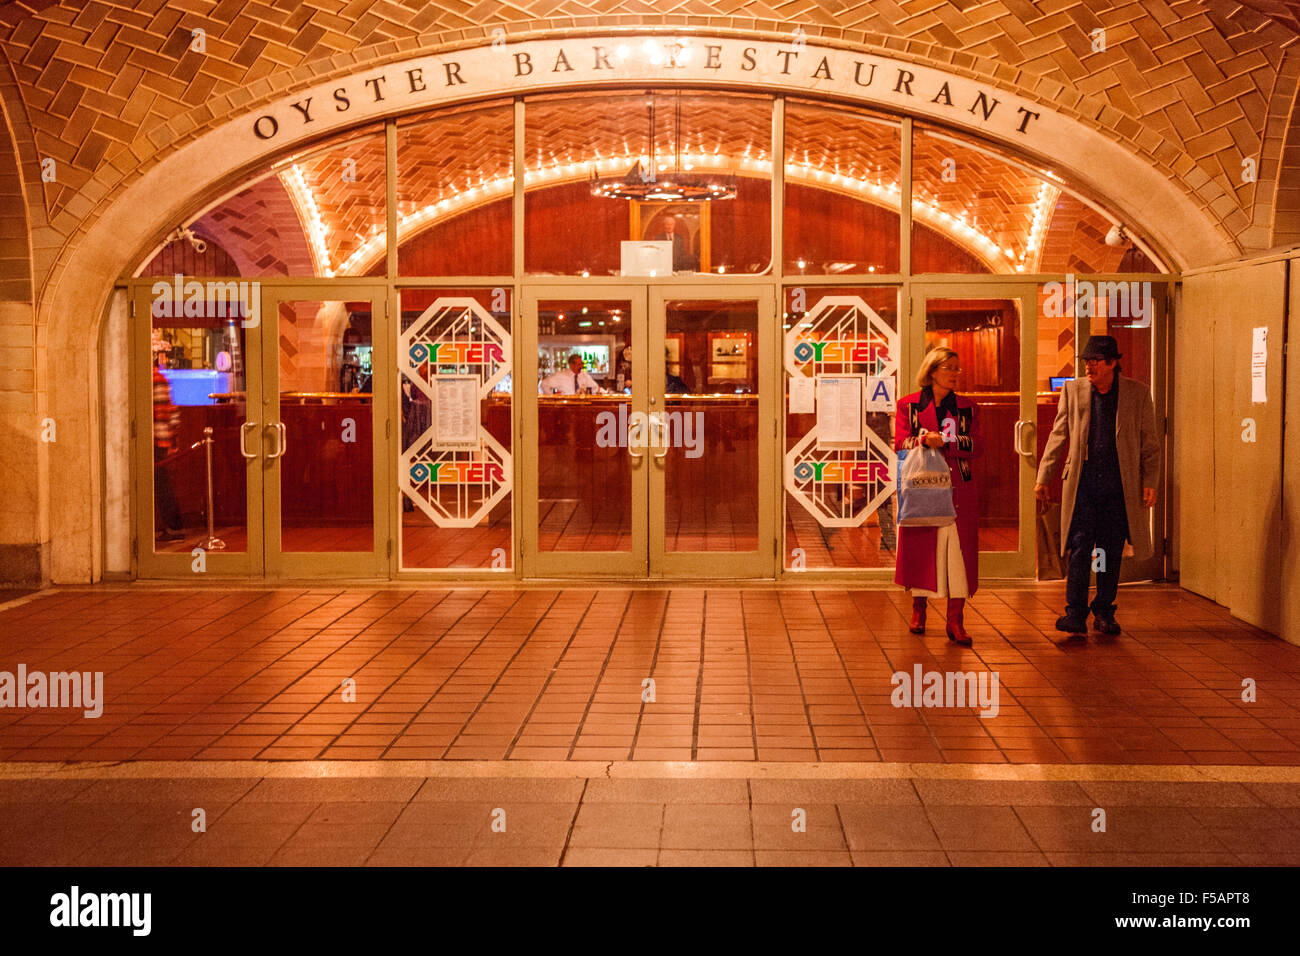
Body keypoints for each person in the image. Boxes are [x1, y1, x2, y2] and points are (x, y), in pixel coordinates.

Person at [1035, 335, 1160, 636]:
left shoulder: (1137, 394)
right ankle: (1075, 613)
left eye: (1095, 361)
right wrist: (1044, 476)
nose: (1089, 367)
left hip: (1119, 487)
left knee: (1109, 550)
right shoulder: (1074, 390)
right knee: (1080, 548)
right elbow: (1058, 434)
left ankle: (1104, 610)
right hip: (1083, 484)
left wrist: (1150, 482)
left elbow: (1150, 445)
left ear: (1113, 364)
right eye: (1086, 361)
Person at [894, 346, 983, 644]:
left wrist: (944, 441)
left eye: (958, 369)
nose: (957, 374)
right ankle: (918, 610)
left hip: (959, 490)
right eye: (950, 368)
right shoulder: (908, 405)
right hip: (923, 489)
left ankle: (955, 621)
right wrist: (923, 439)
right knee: (922, 550)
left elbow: (977, 445)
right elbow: (900, 442)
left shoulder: (969, 408)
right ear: (932, 371)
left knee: (957, 555)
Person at [152, 350, 184, 542]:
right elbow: (172, 411)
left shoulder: (152, 379)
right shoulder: (160, 378)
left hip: (155, 439)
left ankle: (174, 527)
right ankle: (173, 527)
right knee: (162, 485)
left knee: (162, 486)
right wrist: (174, 438)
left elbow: (157, 412)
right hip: (163, 438)